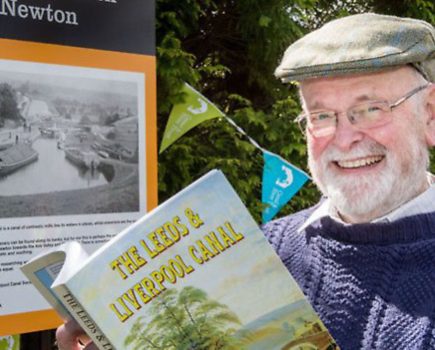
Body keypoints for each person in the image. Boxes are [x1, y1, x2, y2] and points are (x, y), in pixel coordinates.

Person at [56, 13, 435, 350]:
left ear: (430, 115)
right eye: (321, 116)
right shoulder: (264, 247)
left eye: (370, 109)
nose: (344, 137)